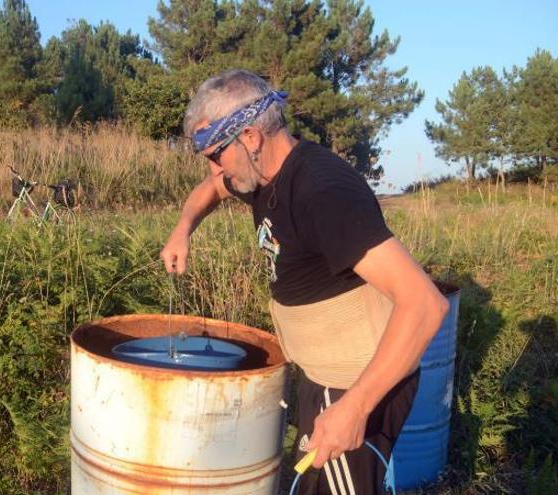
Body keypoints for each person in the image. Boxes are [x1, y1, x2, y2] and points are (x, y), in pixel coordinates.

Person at [160, 69, 448, 494]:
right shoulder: (256, 174)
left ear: (252, 137)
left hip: (356, 380)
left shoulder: (322, 192)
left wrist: (355, 408)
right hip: (322, 375)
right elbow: (212, 188)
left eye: (216, 153)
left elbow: (426, 304)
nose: (213, 166)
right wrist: (183, 227)